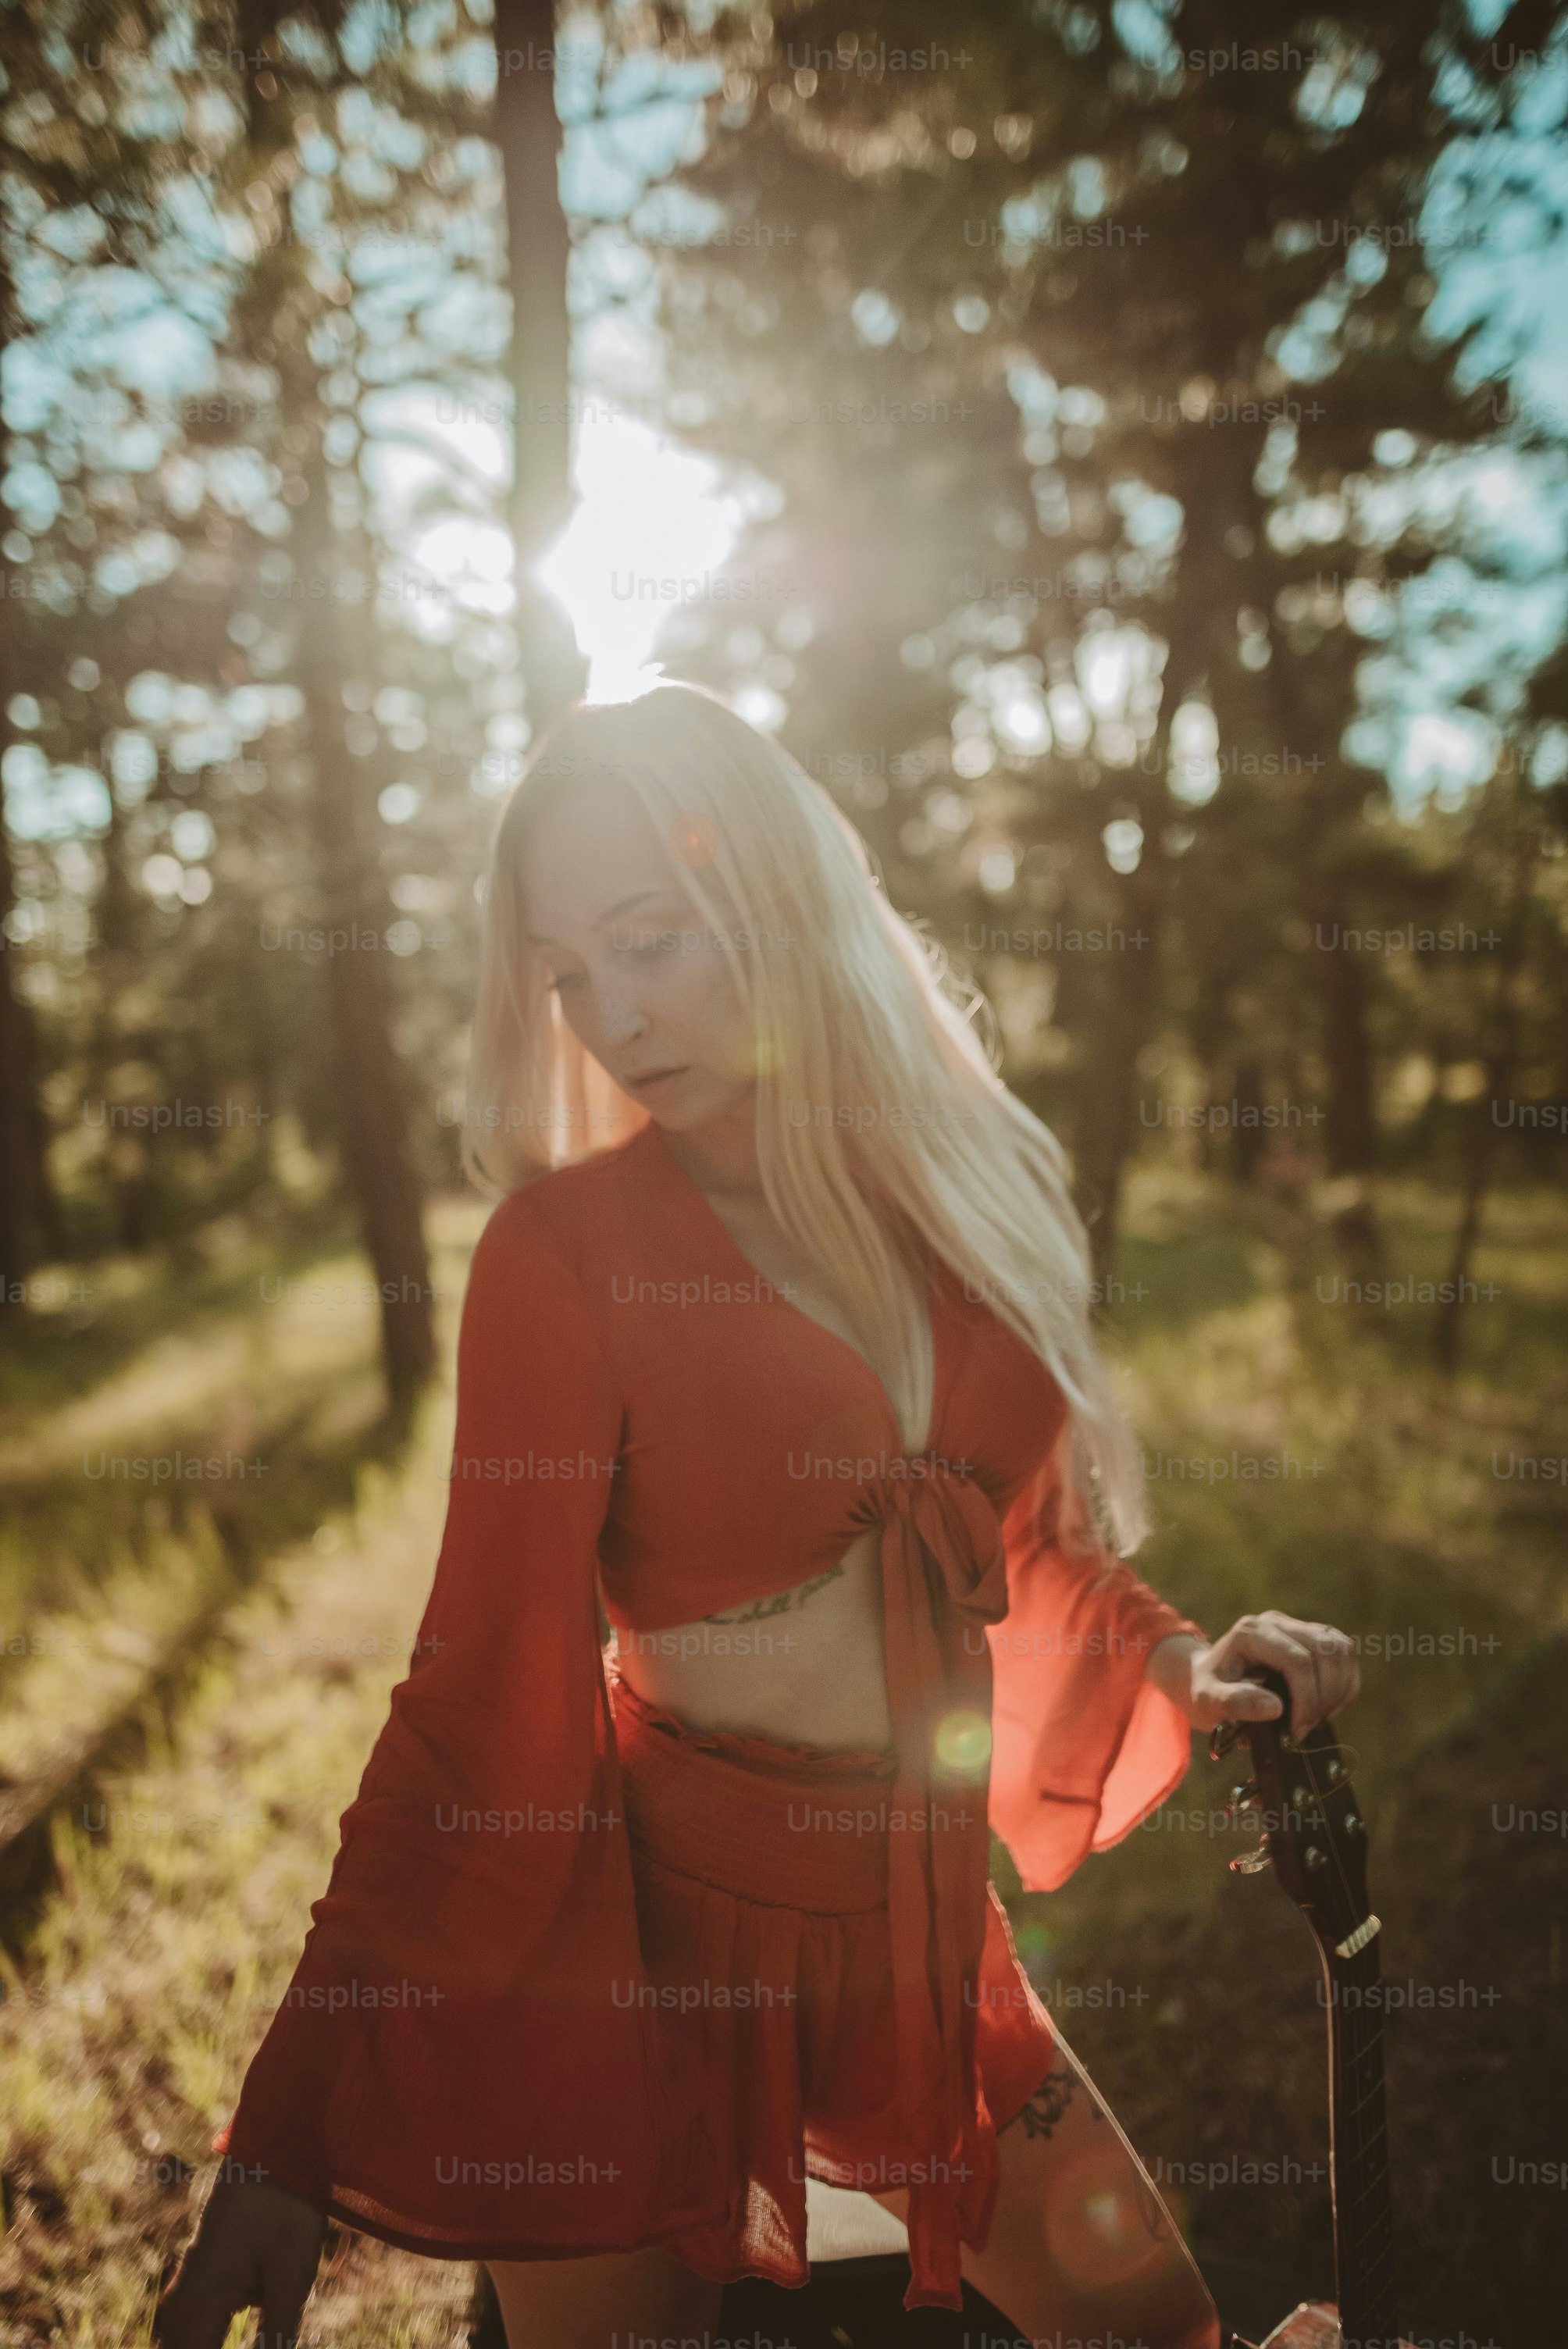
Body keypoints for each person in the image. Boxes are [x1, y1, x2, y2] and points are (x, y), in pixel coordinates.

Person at [155, 683, 1360, 2349]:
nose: (609, 1014)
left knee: (1158, 2332)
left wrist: (1179, 1664)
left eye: (648, 938)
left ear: (779, 896)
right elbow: (474, 1693)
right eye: (569, 972)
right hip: (626, 1958)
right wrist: (285, 2134)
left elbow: (1012, 1553)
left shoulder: (974, 1179)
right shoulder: (562, 1257)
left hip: (910, 1932)